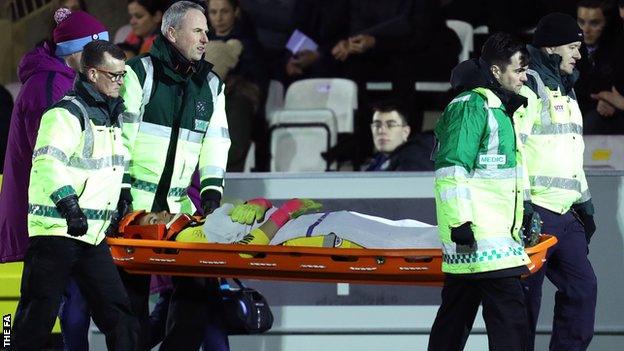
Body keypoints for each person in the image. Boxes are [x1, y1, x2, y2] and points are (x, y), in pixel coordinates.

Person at [11, 40, 139, 351]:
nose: (121, 82)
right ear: (93, 74)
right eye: (115, 75)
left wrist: (122, 193)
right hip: (56, 232)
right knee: (36, 318)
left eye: (123, 75)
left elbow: (114, 162)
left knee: (119, 315)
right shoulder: (66, 114)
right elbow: (46, 163)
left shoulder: (111, 115)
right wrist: (70, 207)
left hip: (91, 236)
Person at [119, 1, 231, 349]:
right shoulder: (139, 73)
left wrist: (212, 193)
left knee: (198, 295)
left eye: (207, 33)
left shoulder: (210, 85)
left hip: (178, 209)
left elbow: (216, 142)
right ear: (171, 32)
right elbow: (121, 135)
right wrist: (121, 189)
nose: (205, 38)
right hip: (133, 208)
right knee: (130, 309)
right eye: (198, 31)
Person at [0, 8, 109, 350]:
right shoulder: (49, 87)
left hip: (62, 216)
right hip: (51, 217)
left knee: (61, 305)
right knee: (51, 307)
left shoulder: (66, 82)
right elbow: (51, 160)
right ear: (75, 53)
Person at [427, 32, 534, 351]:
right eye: (518, 70)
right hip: (482, 239)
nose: (524, 77)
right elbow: (451, 169)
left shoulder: (502, 110)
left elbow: (507, 175)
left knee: (453, 322)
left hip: (487, 240)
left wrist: (525, 209)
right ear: (496, 72)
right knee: (511, 326)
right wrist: (460, 223)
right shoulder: (473, 106)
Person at [520, 13, 598, 351]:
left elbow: (571, 156)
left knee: (582, 292)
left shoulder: (568, 91)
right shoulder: (528, 86)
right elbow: (515, 151)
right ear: (551, 47)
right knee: (524, 306)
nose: (579, 54)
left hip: (566, 215)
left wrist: (585, 205)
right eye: (572, 47)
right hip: (535, 212)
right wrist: (521, 204)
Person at [124, 198, 439, 249]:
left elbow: (249, 219)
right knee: (402, 240)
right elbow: (250, 248)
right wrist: (285, 211)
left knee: (404, 229)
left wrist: (258, 202)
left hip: (319, 223)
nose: (162, 214)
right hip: (313, 229)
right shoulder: (194, 235)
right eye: (154, 219)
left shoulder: (199, 223)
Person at [205, 0, 268, 172]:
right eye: (214, 12)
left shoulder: (249, 45)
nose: (219, 18)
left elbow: (257, 82)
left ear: (236, 12)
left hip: (238, 99)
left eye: (224, 11)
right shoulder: (200, 41)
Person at [575, 0, 624, 134]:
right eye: (581, 22)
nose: (586, 30)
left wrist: (614, 104)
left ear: (606, 23)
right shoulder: (568, 48)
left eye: (594, 23)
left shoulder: (618, 48)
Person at [365, 102, 434, 171]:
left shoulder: (413, 160)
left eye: (391, 125)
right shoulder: (377, 160)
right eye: (377, 125)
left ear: (405, 132)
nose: (381, 131)